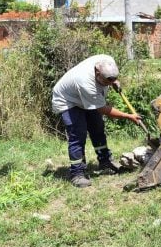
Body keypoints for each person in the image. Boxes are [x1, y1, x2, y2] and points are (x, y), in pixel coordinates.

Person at [52, 54, 142, 188]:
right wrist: (128, 116)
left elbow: (108, 81)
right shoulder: (85, 81)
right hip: (68, 101)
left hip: (85, 98)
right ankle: (77, 173)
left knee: (98, 128)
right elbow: (103, 109)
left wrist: (113, 82)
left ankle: (105, 161)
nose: (108, 84)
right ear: (97, 73)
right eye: (106, 81)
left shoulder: (108, 60)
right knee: (78, 134)